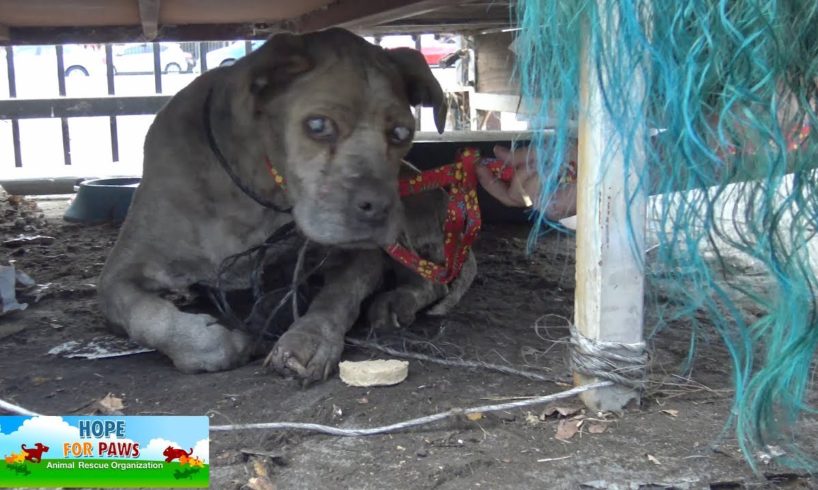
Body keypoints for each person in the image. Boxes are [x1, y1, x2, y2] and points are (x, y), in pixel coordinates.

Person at [475, 144, 578, 222]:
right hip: (560, 161)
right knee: (544, 152)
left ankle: (490, 179)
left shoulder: (559, 205)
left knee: (511, 198)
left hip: (534, 186)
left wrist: (543, 207)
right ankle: (513, 157)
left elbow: (554, 215)